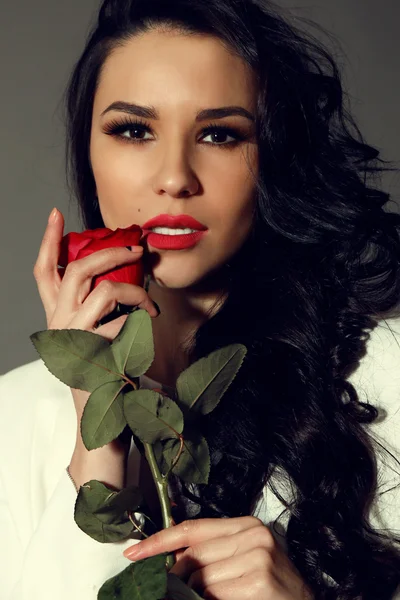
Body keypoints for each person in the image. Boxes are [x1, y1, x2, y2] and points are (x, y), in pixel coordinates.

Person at [1, 0, 400, 597]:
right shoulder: (13, 415)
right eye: (134, 130)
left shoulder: (390, 372)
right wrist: (97, 445)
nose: (174, 176)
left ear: (271, 156)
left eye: (220, 134)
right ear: (89, 151)